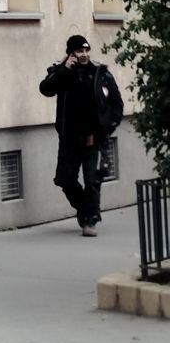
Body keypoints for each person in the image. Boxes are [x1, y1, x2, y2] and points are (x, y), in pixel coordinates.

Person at [39, 35, 124, 236]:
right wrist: (64, 69)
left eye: (86, 51)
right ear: (71, 54)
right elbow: (46, 89)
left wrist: (107, 129)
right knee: (64, 179)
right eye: (79, 51)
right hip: (69, 138)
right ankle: (85, 208)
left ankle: (90, 220)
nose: (84, 55)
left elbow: (116, 104)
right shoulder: (62, 72)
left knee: (92, 179)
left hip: (94, 138)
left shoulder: (99, 73)